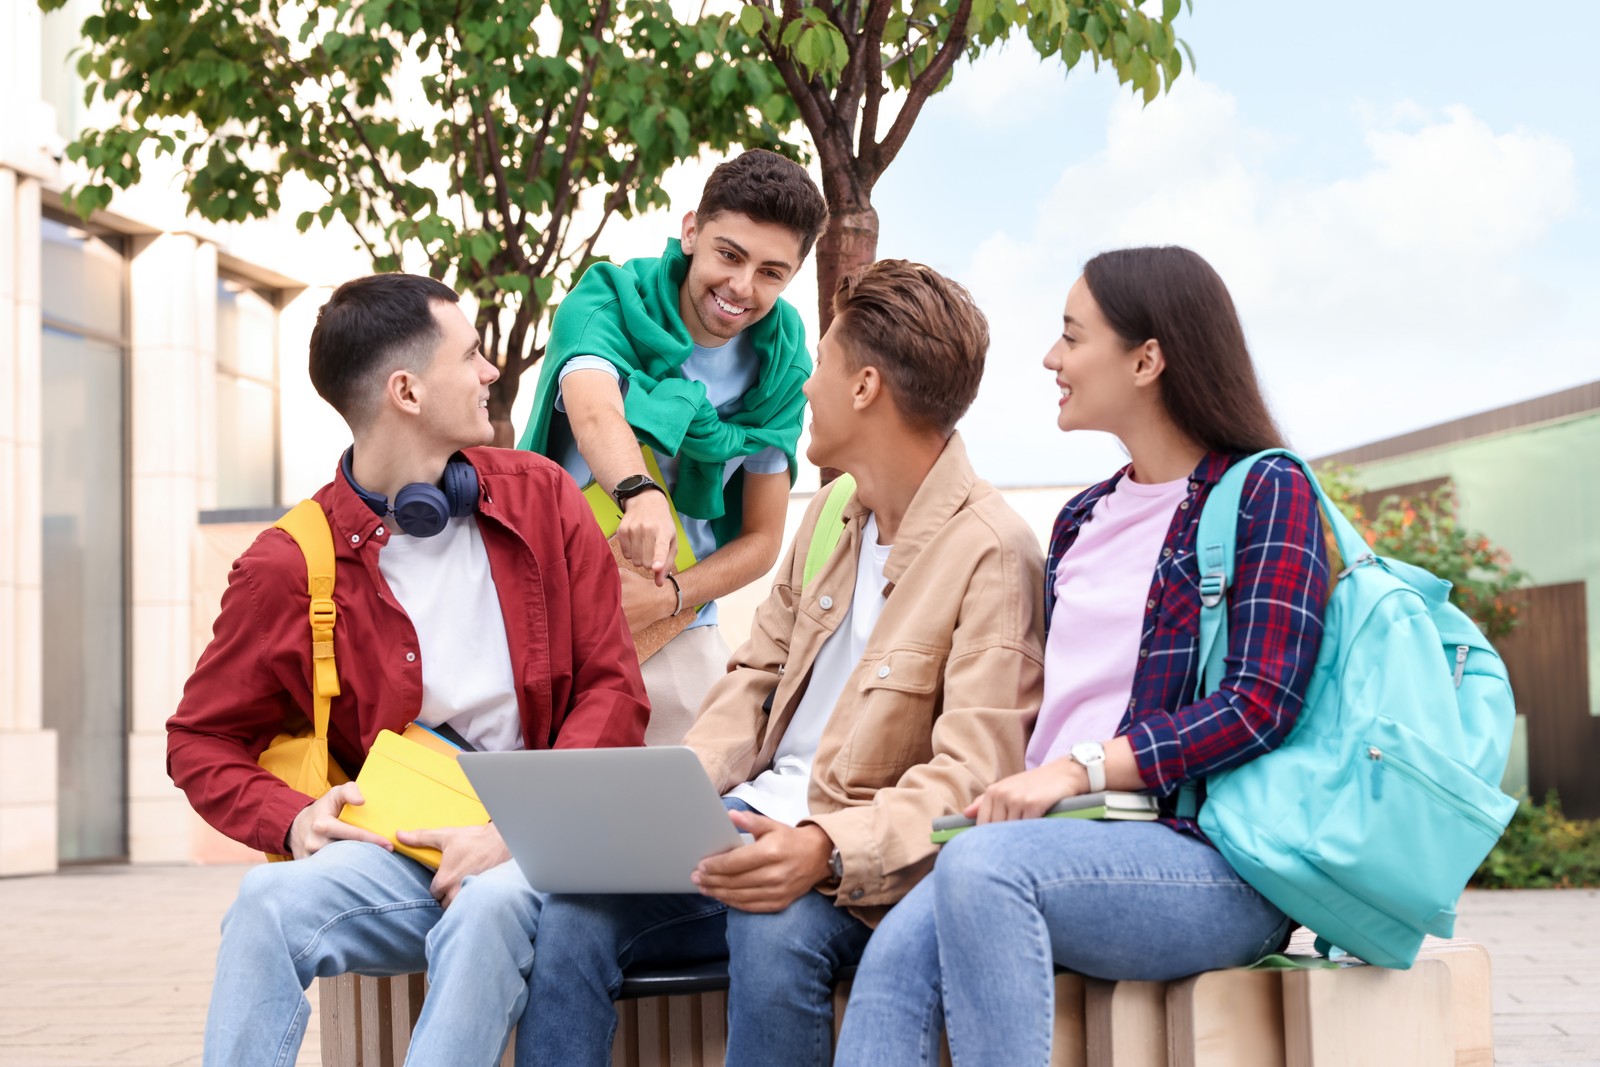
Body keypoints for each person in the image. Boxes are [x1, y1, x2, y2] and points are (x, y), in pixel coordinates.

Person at [517, 260, 1046, 1066]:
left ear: (865, 386)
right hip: (743, 825)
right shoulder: (833, 512)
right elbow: (753, 680)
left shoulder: (995, 551)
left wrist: (823, 845)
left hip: (854, 867)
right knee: (576, 914)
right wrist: (674, 797)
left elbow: (972, 774)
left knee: (775, 927)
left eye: (823, 366)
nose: (804, 387)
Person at [834, 246, 1332, 1066]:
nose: (1050, 358)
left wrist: (1077, 769)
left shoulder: (1266, 490)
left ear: (1148, 359)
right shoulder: (1082, 518)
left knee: (985, 870)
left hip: (1208, 858)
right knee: (894, 957)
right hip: (1053, 842)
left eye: (1071, 336)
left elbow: (1259, 703)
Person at [166, 273, 649, 1066]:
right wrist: (289, 817)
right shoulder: (290, 562)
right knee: (264, 902)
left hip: (534, 843)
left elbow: (612, 688)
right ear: (407, 391)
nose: (491, 371)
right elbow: (200, 739)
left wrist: (516, 831)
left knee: (490, 906)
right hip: (397, 847)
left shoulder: (544, 499)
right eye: (472, 355)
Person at [517, 148, 828, 744]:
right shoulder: (611, 298)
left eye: (771, 272)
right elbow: (593, 406)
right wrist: (640, 492)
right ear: (691, 232)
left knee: (681, 825)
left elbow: (763, 539)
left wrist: (669, 599)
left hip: (676, 629)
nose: (741, 287)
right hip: (548, 613)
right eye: (729, 255)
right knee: (527, 823)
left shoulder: (785, 361)